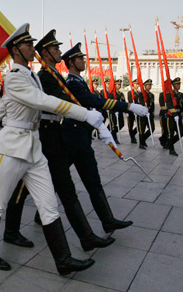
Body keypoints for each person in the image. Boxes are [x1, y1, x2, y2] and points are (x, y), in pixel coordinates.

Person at [0, 23, 102, 275]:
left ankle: (63, 260)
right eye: (27, 44)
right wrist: (84, 114)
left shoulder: (30, 75)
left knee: (48, 205)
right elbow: (41, 101)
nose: (32, 47)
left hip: (34, 147)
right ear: (15, 50)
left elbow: (7, 102)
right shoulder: (14, 77)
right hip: (12, 147)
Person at [62, 43, 148, 234]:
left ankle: (108, 221)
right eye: (80, 58)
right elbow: (94, 101)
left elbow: (92, 104)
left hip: (80, 139)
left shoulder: (79, 82)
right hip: (71, 139)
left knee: (92, 179)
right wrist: (127, 107)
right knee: (57, 178)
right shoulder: (73, 84)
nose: (84, 61)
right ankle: (37, 211)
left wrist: (101, 126)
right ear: (72, 62)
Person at [165, 77, 183, 156]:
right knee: (171, 133)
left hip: (178, 116)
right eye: (176, 84)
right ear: (173, 85)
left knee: (181, 133)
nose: (178, 85)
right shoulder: (170, 94)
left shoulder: (181, 94)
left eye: (179, 84)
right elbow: (169, 105)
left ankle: (169, 144)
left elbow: (182, 106)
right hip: (171, 116)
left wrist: (180, 115)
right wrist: (175, 114)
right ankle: (171, 150)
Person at [127, 79, 140, 144]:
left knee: (138, 125)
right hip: (131, 111)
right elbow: (130, 101)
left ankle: (133, 134)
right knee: (130, 125)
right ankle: (132, 137)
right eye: (136, 84)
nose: (137, 85)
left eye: (138, 84)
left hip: (137, 111)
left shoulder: (139, 93)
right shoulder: (130, 92)